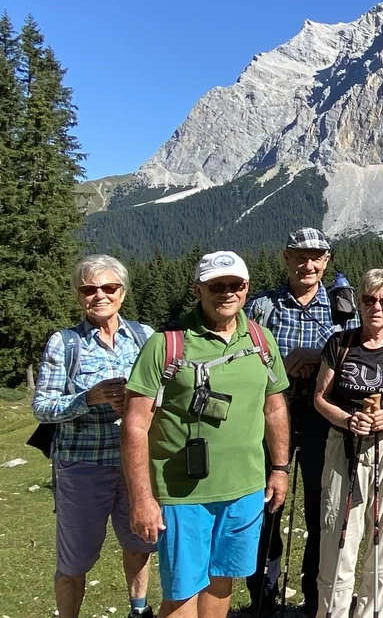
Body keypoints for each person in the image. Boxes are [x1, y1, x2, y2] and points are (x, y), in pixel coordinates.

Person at [123, 251, 291, 618]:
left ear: (247, 289)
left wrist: (280, 468)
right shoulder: (165, 345)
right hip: (183, 494)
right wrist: (142, 499)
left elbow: (274, 407)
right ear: (198, 289)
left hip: (246, 490)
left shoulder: (261, 341)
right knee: (181, 592)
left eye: (236, 285)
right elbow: (135, 425)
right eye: (217, 286)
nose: (227, 293)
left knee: (222, 581)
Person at [32, 255, 157, 618]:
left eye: (109, 287)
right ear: (78, 295)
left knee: (139, 544)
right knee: (75, 558)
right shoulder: (64, 342)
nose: (99, 295)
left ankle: (139, 610)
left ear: (123, 292)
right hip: (81, 465)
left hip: (135, 462)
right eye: (89, 289)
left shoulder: (144, 336)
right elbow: (42, 407)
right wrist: (89, 398)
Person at [245, 227, 355, 616]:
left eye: (316, 257)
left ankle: (314, 591)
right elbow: (243, 359)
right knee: (265, 504)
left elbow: (356, 363)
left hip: (322, 418)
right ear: (287, 258)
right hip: (272, 415)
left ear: (326, 261)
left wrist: (320, 359)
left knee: (319, 506)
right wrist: (283, 365)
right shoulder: (262, 307)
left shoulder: (344, 308)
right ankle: (263, 590)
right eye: (300, 256)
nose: (308, 264)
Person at [313, 269, 383, 618]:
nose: (376, 307)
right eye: (369, 299)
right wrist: (347, 419)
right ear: (359, 302)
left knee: (382, 538)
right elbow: (320, 398)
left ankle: (371, 613)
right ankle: (332, 612)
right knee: (339, 535)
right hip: (345, 445)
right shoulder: (339, 344)